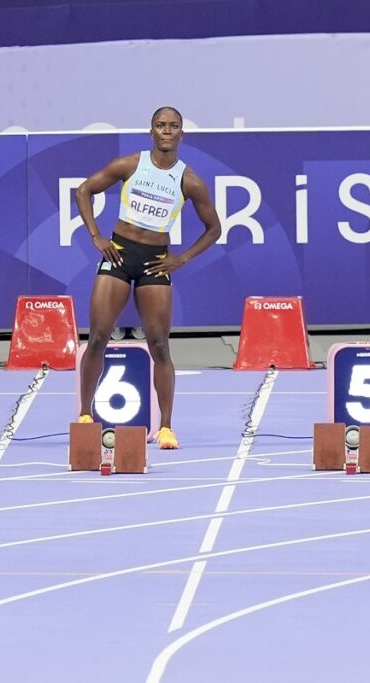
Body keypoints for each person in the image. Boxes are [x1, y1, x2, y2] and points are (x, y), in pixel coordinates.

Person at [74, 106, 222, 448]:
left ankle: (166, 427)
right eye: (160, 125)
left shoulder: (190, 181)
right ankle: (85, 414)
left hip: (155, 261)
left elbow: (214, 229)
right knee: (97, 338)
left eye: (173, 126)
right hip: (119, 253)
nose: (166, 131)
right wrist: (96, 237)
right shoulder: (130, 165)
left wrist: (181, 258)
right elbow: (83, 191)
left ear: (181, 134)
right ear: (151, 132)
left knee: (159, 345)